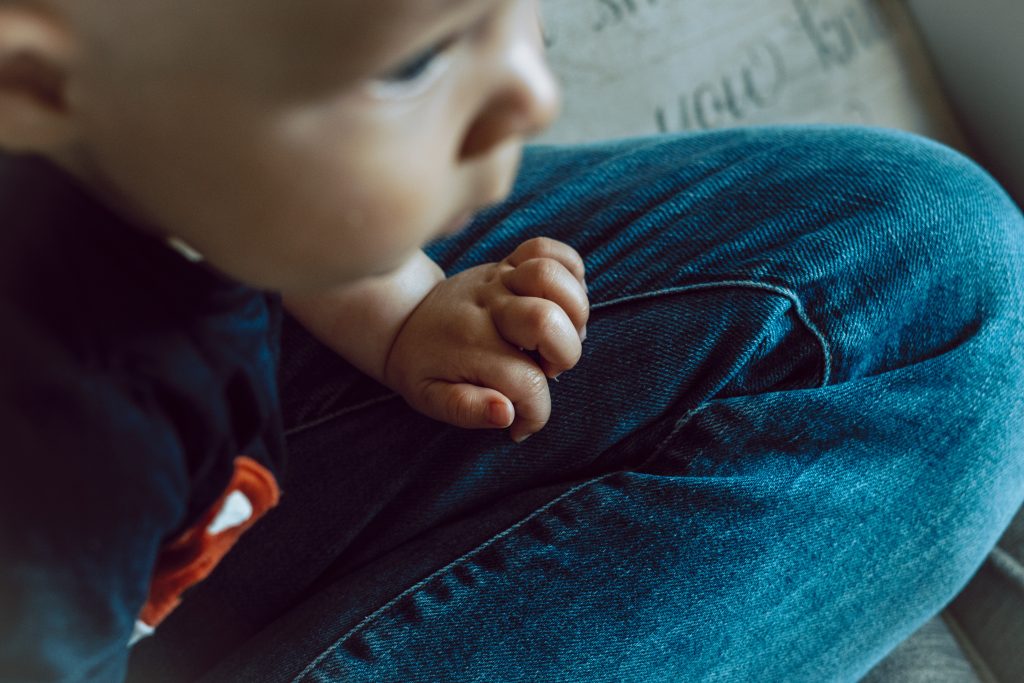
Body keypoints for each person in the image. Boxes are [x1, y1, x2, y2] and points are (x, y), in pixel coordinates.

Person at [1, 0, 1022, 680]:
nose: (532, 95)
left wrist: (398, 307)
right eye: (416, 64)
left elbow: (222, 167)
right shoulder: (78, 452)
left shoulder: (169, 139)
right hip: (91, 577)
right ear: (43, 87)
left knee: (930, 264)